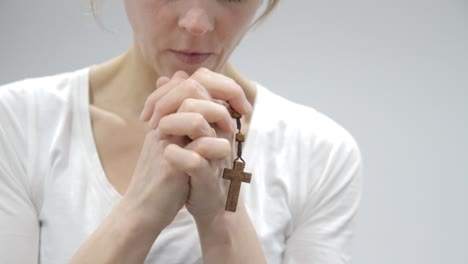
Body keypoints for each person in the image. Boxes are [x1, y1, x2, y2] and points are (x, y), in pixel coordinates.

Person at [0, 0, 363, 263]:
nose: (196, 22)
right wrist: (139, 211)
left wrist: (221, 214)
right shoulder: (19, 123)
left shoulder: (320, 153)